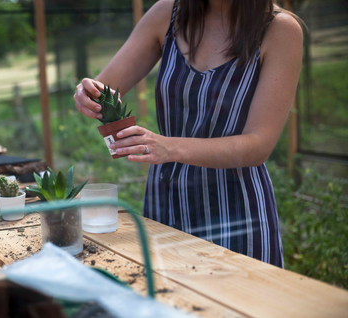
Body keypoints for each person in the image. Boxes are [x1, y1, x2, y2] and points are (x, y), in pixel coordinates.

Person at [73, 0, 303, 267]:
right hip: (166, 204)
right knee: (167, 303)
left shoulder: (280, 29)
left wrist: (169, 148)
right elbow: (105, 89)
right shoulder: (166, 14)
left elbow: (258, 145)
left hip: (238, 214)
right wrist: (88, 94)